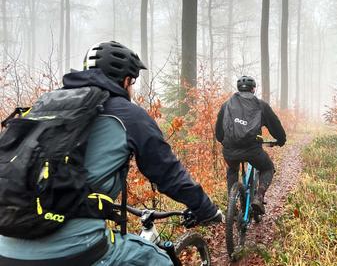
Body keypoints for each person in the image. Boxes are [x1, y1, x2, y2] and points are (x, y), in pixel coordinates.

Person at [0, 41, 222, 265]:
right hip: (74, 248)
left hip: (7, 244)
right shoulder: (127, 115)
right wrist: (206, 209)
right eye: (132, 83)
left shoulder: (45, 105)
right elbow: (169, 174)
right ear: (126, 81)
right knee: (158, 259)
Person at [215, 76, 286, 215]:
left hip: (230, 151)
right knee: (268, 168)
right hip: (252, 151)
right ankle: (259, 197)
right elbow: (275, 125)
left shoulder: (226, 105)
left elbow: (219, 132)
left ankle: (232, 205)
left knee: (232, 170)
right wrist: (280, 140)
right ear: (253, 89)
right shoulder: (261, 105)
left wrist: (224, 141)